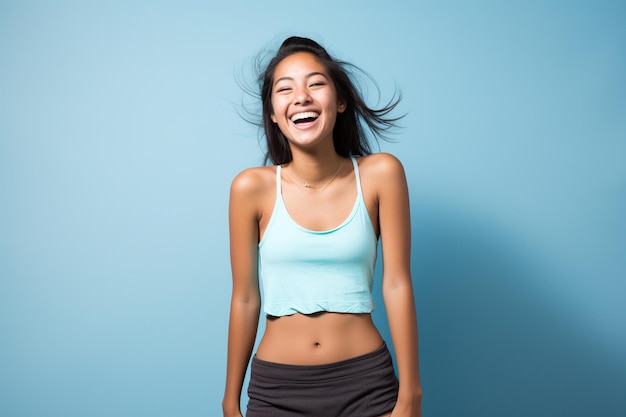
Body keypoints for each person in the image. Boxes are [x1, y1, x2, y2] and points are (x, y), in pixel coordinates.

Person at [222, 36, 422, 417]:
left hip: (366, 385)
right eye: (285, 89)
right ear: (275, 114)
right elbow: (245, 298)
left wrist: (411, 395)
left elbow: (397, 283)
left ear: (340, 101)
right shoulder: (250, 188)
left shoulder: (381, 174)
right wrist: (230, 400)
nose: (301, 96)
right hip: (275, 392)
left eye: (315, 83)